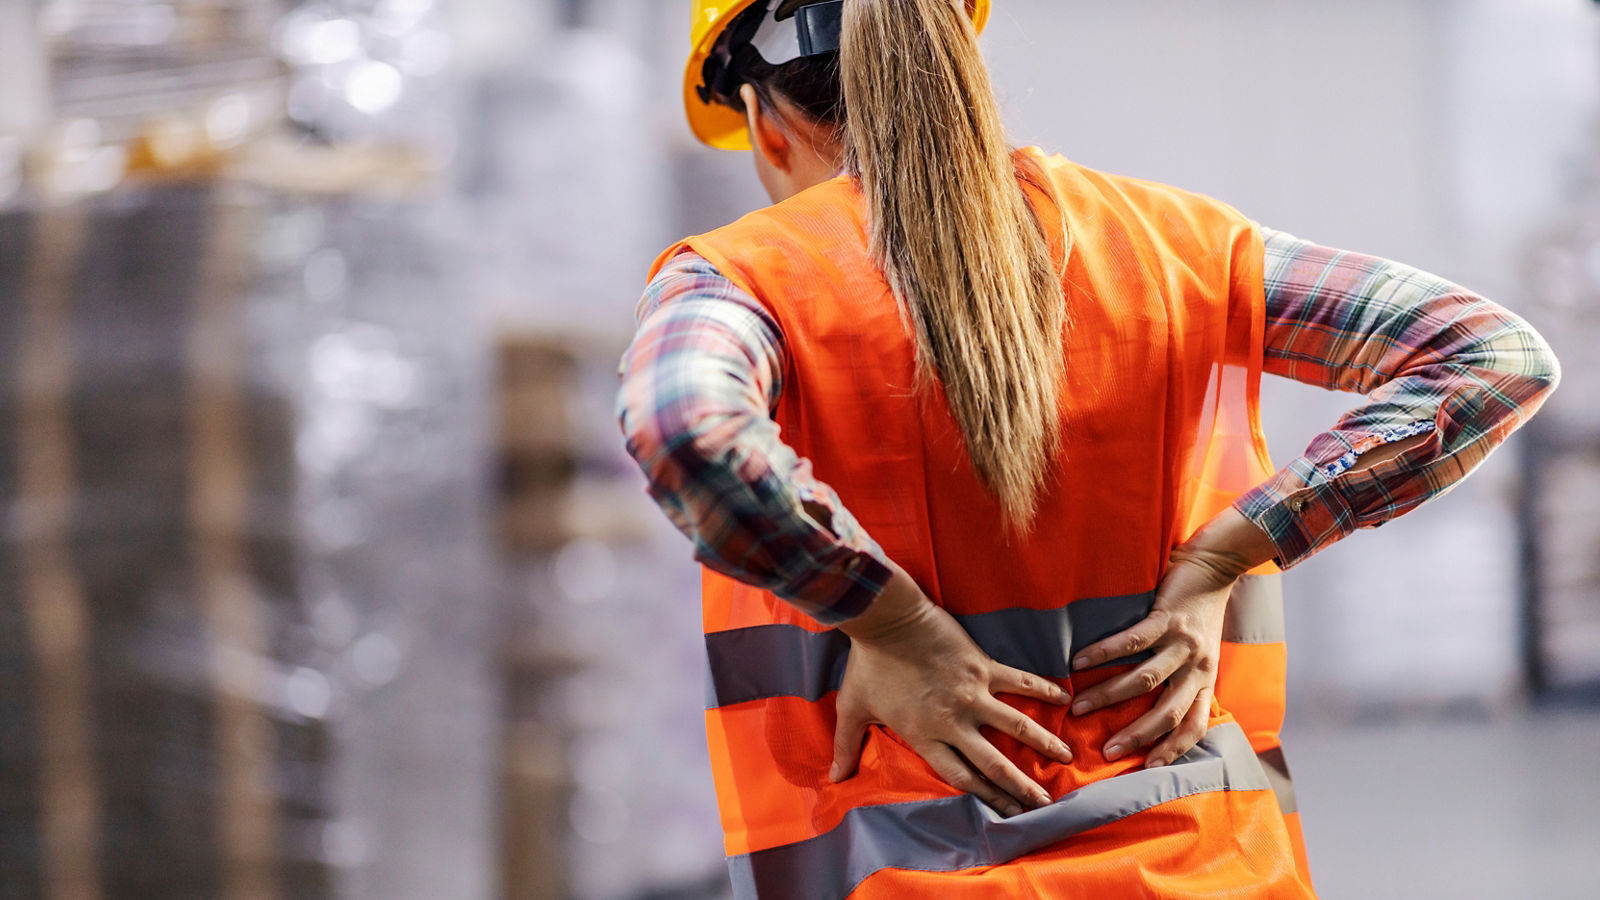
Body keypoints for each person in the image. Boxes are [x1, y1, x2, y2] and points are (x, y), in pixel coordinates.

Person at [615, 1, 1561, 897]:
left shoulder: (742, 280)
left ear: (764, 120)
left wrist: (890, 622)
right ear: (959, 60)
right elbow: (1495, 358)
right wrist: (1231, 551)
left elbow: (684, 432)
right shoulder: (1176, 246)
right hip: (1214, 869)